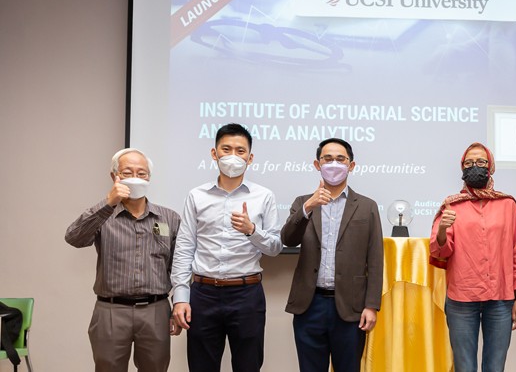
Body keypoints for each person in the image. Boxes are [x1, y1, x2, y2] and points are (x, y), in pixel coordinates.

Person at [171, 123, 283, 372]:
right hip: (203, 292)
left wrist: (252, 231)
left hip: (247, 294)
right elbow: (184, 247)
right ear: (214, 153)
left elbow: (275, 247)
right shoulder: (196, 195)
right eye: (227, 149)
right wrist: (180, 298)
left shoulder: (263, 196)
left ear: (250, 158)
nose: (233, 156)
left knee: (248, 366)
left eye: (240, 151)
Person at [65, 148, 181, 372]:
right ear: (114, 177)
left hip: (156, 309)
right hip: (111, 310)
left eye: (142, 173)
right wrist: (108, 203)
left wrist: (178, 304)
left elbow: (179, 267)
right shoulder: (103, 216)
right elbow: (74, 238)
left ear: (149, 178)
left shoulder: (170, 218)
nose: (136, 178)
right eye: (128, 172)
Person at [281, 138, 383, 372]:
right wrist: (308, 207)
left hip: (351, 306)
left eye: (340, 159)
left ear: (351, 165)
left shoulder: (367, 206)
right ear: (317, 165)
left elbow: (375, 259)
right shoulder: (302, 202)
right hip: (309, 304)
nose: (334, 164)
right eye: (327, 159)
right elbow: (288, 239)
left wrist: (371, 305)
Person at [430, 142, 516, 372]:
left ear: (491, 167)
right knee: (464, 367)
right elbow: (440, 252)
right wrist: (440, 231)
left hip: (500, 298)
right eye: (468, 163)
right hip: (461, 299)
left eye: (480, 162)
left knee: (495, 367)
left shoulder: (508, 204)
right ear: (462, 168)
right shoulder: (451, 205)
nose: (474, 166)